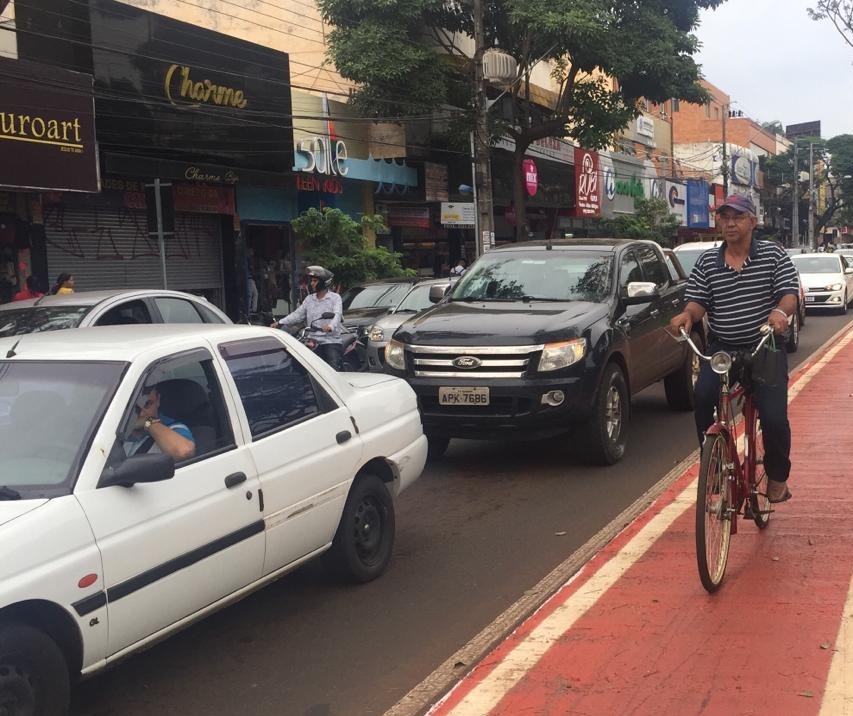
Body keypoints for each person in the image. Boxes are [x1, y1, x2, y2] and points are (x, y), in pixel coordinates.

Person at [669, 194, 800, 504]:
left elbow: (788, 296)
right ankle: (714, 466)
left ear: (752, 222)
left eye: (738, 217)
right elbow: (698, 302)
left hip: (764, 346)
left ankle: (778, 478)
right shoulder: (708, 262)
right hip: (723, 348)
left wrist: (780, 314)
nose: (730, 223)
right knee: (702, 397)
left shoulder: (773, 255)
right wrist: (687, 315)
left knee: (773, 418)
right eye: (724, 216)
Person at [272, 265, 344, 370]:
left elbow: (337, 315)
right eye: (312, 281)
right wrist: (280, 323)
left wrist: (330, 326)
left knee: (333, 370)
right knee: (301, 366)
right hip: (313, 340)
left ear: (324, 282)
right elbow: (297, 315)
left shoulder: (335, 298)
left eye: (315, 281)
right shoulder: (309, 299)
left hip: (330, 340)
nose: (312, 284)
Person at [123, 384, 196, 461]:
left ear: (158, 400)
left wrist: (148, 422)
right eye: (135, 408)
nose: (141, 413)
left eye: (147, 404)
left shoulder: (174, 428)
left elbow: (183, 451)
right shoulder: (117, 427)